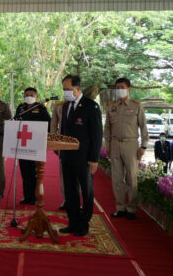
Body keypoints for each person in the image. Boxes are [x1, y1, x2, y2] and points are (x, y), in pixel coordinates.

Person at [58, 75, 102, 237]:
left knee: (86, 192)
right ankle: (73, 222)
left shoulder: (91, 106)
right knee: (70, 191)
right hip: (67, 156)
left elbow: (97, 135)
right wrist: (61, 151)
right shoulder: (65, 106)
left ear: (78, 89)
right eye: (64, 89)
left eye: (68, 89)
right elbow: (64, 131)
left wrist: (94, 159)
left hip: (84, 158)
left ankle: (84, 224)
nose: (66, 92)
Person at [104, 77, 148, 221]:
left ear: (129, 89)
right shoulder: (112, 106)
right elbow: (107, 128)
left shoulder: (136, 106)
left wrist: (143, 146)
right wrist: (107, 145)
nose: (119, 90)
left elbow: (143, 127)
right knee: (117, 179)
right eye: (117, 88)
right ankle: (120, 208)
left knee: (131, 178)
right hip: (115, 144)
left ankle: (131, 209)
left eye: (122, 87)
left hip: (131, 145)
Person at [15, 87, 51, 205]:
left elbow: (48, 124)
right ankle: (27, 197)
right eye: (26, 95)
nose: (29, 97)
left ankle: (35, 197)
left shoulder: (41, 108)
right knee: (25, 172)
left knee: (35, 172)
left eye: (31, 95)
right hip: (23, 144)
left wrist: (44, 139)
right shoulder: (21, 107)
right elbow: (15, 122)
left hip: (36, 144)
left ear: (36, 97)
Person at [49, 99, 70, 210]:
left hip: (78, 144)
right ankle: (66, 200)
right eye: (66, 90)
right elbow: (53, 124)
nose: (68, 92)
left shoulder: (84, 105)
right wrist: (54, 142)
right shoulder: (59, 106)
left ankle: (76, 201)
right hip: (62, 142)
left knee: (78, 175)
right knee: (63, 173)